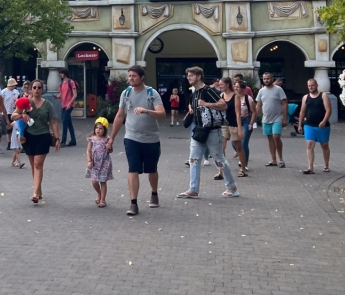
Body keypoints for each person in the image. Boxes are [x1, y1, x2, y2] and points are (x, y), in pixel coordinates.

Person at [107, 65, 165, 216]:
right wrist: (111, 138)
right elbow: (120, 116)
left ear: (142, 77)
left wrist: (146, 110)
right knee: (133, 169)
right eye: (129, 76)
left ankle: (154, 193)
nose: (130, 78)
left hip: (151, 138)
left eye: (134, 76)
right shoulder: (126, 93)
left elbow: (162, 114)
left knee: (151, 169)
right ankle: (133, 203)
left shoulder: (152, 93)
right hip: (131, 138)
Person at [176, 68, 237, 200]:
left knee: (219, 159)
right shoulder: (194, 93)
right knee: (194, 159)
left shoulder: (209, 91)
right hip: (199, 130)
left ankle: (232, 187)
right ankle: (193, 189)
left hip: (213, 131)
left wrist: (206, 104)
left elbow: (223, 105)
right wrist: (191, 109)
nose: (188, 78)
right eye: (187, 75)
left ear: (198, 76)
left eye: (190, 76)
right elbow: (194, 106)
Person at [16, 79, 60, 204]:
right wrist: (22, 115)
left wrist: (57, 138)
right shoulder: (26, 102)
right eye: (34, 87)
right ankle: (38, 189)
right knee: (33, 166)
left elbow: (53, 122)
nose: (36, 90)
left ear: (42, 89)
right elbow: (13, 115)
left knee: (38, 165)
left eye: (39, 88)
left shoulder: (48, 105)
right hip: (29, 137)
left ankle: (35, 193)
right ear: (31, 89)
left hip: (43, 136)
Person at [299, 79, 332, 173]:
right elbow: (302, 111)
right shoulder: (305, 97)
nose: (310, 87)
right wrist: (300, 124)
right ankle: (310, 167)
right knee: (309, 145)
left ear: (317, 85)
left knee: (324, 145)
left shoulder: (323, 96)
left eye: (312, 85)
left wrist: (324, 121)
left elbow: (328, 110)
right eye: (309, 85)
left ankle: (326, 165)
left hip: (322, 126)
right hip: (309, 124)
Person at [256, 72, 289, 168]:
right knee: (270, 138)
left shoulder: (278, 89)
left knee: (276, 136)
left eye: (268, 78)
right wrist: (253, 117)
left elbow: (285, 103)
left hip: (277, 117)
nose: (266, 80)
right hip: (266, 118)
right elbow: (258, 105)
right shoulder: (261, 91)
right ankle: (273, 159)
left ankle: (281, 159)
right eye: (264, 79)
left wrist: (284, 118)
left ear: (272, 79)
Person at [218, 77, 246, 178]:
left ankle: (243, 169)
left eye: (221, 84)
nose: (220, 86)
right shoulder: (221, 95)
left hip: (234, 123)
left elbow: (238, 113)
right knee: (221, 148)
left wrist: (239, 129)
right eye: (219, 84)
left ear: (227, 84)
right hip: (223, 124)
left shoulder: (236, 96)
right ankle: (221, 171)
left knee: (238, 147)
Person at [86, 117, 114, 208]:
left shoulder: (107, 139)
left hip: (104, 163)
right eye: (97, 128)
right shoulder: (92, 139)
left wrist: (108, 147)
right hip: (94, 163)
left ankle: (103, 200)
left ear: (104, 130)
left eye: (101, 128)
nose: (98, 130)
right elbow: (88, 150)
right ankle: (99, 193)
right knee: (94, 181)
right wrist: (89, 160)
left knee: (103, 181)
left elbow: (110, 150)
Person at [233, 74, 255, 166]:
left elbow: (254, 112)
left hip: (246, 120)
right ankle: (239, 152)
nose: (236, 88)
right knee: (234, 143)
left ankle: (244, 164)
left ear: (243, 88)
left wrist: (251, 123)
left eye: (238, 87)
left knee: (244, 142)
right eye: (235, 86)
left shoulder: (248, 98)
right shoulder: (234, 97)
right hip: (236, 121)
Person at [0, 78, 22, 167]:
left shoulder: (16, 92)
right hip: (6, 111)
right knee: (8, 127)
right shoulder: (4, 91)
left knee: (14, 126)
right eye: (13, 85)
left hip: (14, 111)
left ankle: (14, 143)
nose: (14, 86)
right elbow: (1, 102)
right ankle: (9, 142)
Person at [59, 68, 78, 147]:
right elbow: (61, 94)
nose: (60, 74)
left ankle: (63, 141)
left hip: (69, 105)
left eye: (61, 73)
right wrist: (56, 97)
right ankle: (73, 140)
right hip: (63, 105)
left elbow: (75, 95)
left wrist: (70, 104)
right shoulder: (61, 84)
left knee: (64, 122)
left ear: (65, 73)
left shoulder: (71, 82)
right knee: (69, 123)